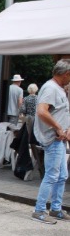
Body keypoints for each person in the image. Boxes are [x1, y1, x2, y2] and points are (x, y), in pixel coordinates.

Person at [32, 59, 70, 224]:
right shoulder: (51, 88)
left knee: (62, 175)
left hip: (58, 139)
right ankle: (39, 210)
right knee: (53, 175)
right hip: (53, 138)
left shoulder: (58, 89)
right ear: (66, 74)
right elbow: (41, 111)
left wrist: (65, 129)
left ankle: (55, 209)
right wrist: (58, 128)